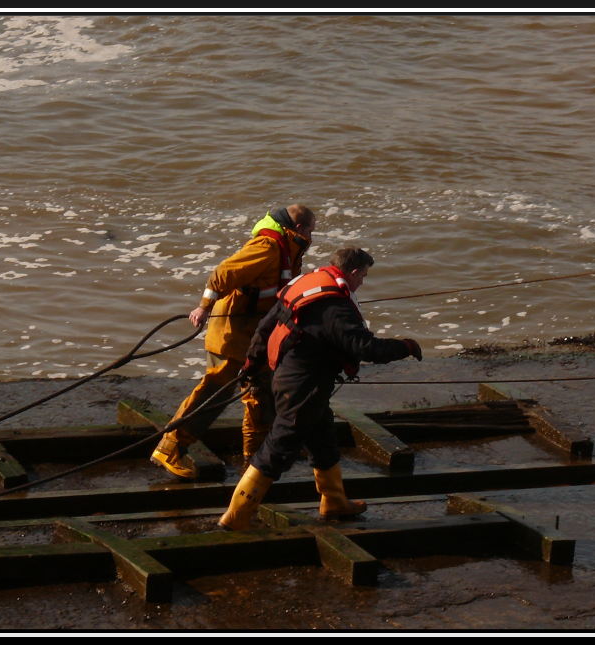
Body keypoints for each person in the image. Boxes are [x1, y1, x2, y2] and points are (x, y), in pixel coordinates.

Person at [219, 247, 423, 530]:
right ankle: (236, 516)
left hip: (290, 377)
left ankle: (334, 502)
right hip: (303, 386)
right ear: (352, 272)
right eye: (362, 276)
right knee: (278, 448)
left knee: (323, 437)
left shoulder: (307, 284)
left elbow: (266, 327)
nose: (362, 283)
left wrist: (252, 363)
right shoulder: (334, 306)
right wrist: (406, 346)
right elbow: (366, 348)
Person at [150, 205, 317, 478]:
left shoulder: (288, 249)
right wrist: (203, 307)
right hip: (230, 334)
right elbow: (222, 273)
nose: (313, 235)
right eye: (311, 229)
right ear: (299, 229)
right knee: (215, 391)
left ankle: (257, 456)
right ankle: (169, 448)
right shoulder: (268, 247)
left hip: (255, 335)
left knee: (261, 393)